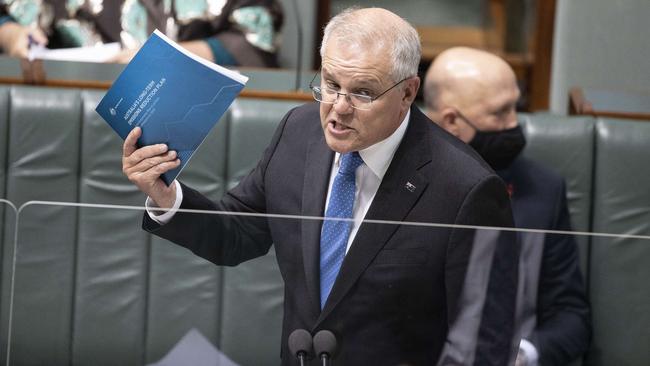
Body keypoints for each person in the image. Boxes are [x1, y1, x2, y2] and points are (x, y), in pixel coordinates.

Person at [123, 8, 519, 365]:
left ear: (408, 92)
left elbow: (482, 346)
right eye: (330, 84)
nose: (338, 109)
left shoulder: (466, 189)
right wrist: (167, 196)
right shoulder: (299, 132)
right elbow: (237, 233)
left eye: (363, 92)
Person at [424, 47, 591, 366]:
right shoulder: (401, 186)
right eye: (500, 113)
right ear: (451, 121)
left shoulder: (543, 190)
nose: (516, 124)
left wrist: (526, 354)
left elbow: (571, 318)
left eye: (516, 107)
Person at [0, 0, 283, 66]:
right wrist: (11, 34)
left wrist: (163, 57)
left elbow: (257, 40)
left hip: (185, 108)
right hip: (76, 106)